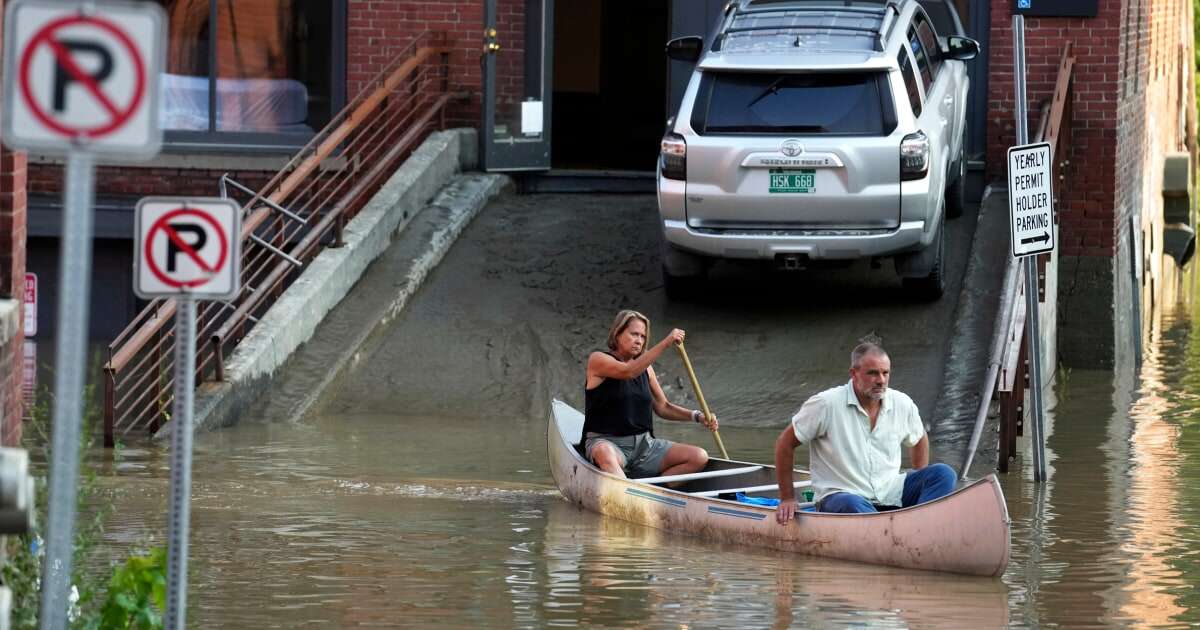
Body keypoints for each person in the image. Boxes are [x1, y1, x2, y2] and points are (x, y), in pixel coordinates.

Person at [773, 338, 956, 523]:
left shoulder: (902, 403)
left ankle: (918, 525)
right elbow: (785, 444)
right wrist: (787, 498)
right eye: (873, 373)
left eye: (885, 373)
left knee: (943, 473)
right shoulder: (825, 404)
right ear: (854, 373)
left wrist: (919, 476)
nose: (881, 380)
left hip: (891, 493)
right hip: (843, 497)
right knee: (852, 504)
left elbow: (919, 438)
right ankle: (897, 530)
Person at [583, 309, 719, 479]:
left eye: (643, 337)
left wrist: (698, 416)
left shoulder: (646, 369)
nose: (639, 341)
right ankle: (627, 493)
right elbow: (628, 372)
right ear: (617, 333)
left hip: (645, 446)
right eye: (634, 334)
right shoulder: (598, 360)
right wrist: (666, 342)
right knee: (605, 453)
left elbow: (663, 407)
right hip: (607, 443)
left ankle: (656, 492)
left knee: (699, 457)